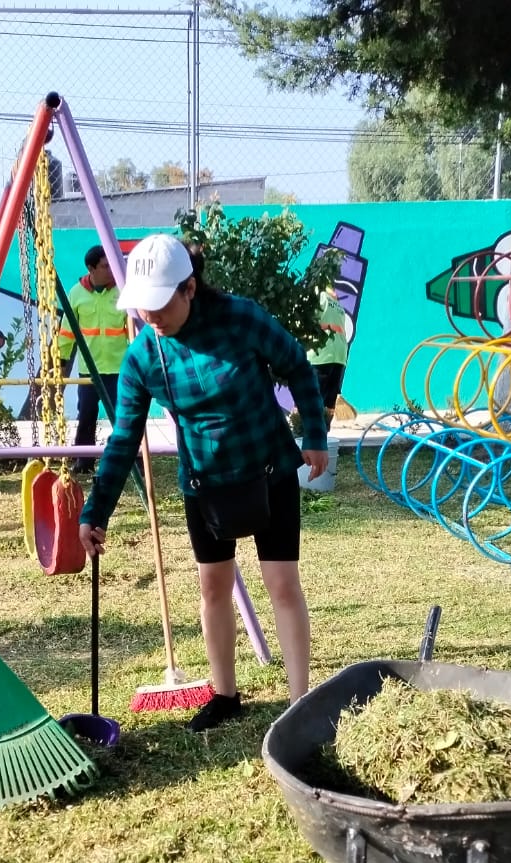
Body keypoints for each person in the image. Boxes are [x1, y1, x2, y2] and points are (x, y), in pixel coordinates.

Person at [78, 233, 329, 732]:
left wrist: (315, 435)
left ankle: (299, 701)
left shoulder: (241, 318)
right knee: (213, 586)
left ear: (189, 288)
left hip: (269, 468)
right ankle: (225, 694)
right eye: (141, 306)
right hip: (206, 482)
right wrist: (95, 510)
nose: (150, 316)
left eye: (159, 304)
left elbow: (297, 364)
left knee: (282, 584)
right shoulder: (144, 356)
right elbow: (124, 438)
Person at [57, 245, 129, 466]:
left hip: (119, 368)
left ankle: (132, 461)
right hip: (89, 369)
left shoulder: (122, 290)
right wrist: (61, 363)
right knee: (86, 415)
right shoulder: (76, 293)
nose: (111, 270)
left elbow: (133, 329)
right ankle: (83, 461)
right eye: (105, 266)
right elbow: (67, 332)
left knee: (125, 418)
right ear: (91, 268)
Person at [308, 284, 350, 430]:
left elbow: (306, 323)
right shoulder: (338, 305)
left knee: (312, 398)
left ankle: (310, 437)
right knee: (329, 402)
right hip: (339, 355)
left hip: (320, 354)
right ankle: (323, 436)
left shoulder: (317, 297)